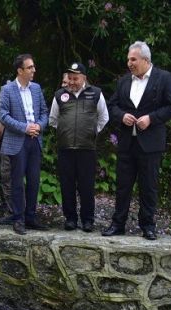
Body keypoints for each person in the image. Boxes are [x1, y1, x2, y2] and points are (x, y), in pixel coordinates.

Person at [102, 41, 171, 240]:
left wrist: (151, 118)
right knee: (122, 185)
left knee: (149, 186)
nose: (129, 63)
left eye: (133, 59)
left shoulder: (163, 78)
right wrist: (122, 116)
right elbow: (112, 106)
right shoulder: (124, 81)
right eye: (128, 59)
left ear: (145, 60)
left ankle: (148, 226)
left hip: (151, 143)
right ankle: (118, 224)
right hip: (127, 142)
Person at [49, 62, 109, 232]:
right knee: (66, 185)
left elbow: (104, 117)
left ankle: (88, 220)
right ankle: (70, 219)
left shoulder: (95, 93)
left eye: (76, 78)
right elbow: (53, 120)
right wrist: (64, 132)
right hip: (65, 148)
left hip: (87, 148)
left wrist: (92, 131)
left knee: (87, 185)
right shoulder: (60, 95)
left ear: (84, 78)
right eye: (70, 78)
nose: (72, 82)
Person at [0, 54, 49, 235]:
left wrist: (39, 126)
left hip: (35, 140)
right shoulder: (7, 90)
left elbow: (44, 112)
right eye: (30, 68)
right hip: (17, 141)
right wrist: (25, 128)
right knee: (17, 182)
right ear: (20, 71)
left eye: (33, 67)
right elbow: (3, 116)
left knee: (34, 181)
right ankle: (18, 218)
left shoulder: (36, 88)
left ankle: (31, 217)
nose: (34, 70)